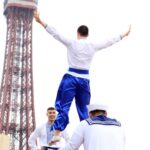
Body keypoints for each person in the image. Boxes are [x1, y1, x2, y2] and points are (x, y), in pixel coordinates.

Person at [33, 10, 131, 143]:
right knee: (84, 109)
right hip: (84, 79)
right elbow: (108, 41)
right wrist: (123, 35)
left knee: (63, 105)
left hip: (71, 77)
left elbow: (56, 34)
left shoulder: (72, 43)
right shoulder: (92, 46)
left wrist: (41, 22)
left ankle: (57, 133)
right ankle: (88, 135)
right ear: (87, 34)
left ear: (78, 33)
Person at [61, 103, 125, 150]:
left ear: (90, 114)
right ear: (106, 113)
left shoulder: (84, 124)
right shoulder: (119, 126)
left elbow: (72, 147)